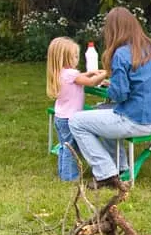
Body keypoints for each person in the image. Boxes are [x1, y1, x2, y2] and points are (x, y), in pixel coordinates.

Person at [69, 7, 151, 188]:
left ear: (113, 31)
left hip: (136, 120)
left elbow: (120, 95)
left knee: (76, 121)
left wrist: (110, 87)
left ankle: (105, 173)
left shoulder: (122, 54)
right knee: (101, 113)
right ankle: (120, 167)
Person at [46, 37, 108, 181]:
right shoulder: (71, 74)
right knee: (71, 148)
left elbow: (82, 76)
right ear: (64, 58)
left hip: (60, 117)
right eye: (74, 56)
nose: (77, 59)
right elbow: (91, 83)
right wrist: (105, 73)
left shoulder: (60, 73)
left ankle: (63, 172)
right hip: (69, 118)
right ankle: (70, 177)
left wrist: (92, 73)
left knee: (64, 146)